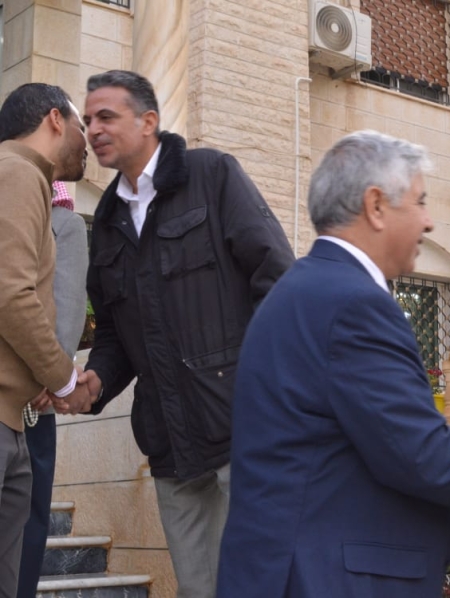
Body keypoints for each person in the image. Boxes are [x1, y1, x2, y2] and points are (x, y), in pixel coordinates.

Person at [216, 130, 450, 598]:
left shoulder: (309, 288)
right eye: (420, 201)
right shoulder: (353, 303)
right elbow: (415, 453)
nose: (429, 221)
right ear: (376, 206)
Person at [62, 70, 295, 598]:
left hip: (242, 430)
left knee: (260, 584)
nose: (93, 129)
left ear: (148, 121)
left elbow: (276, 279)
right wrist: (96, 380)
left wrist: (265, 389)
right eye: (88, 119)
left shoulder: (211, 176)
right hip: (170, 445)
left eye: (106, 116)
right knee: (198, 589)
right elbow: (116, 334)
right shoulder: (107, 221)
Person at [0, 82, 90, 598]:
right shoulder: (16, 174)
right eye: (81, 124)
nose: (87, 139)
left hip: (16, 417)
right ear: (55, 119)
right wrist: (63, 378)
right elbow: (11, 295)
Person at [17, 181, 89, 598]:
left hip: (32, 406)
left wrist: (52, 375)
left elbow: (68, 307)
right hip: (24, 402)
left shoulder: (62, 223)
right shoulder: (49, 222)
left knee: (27, 524)